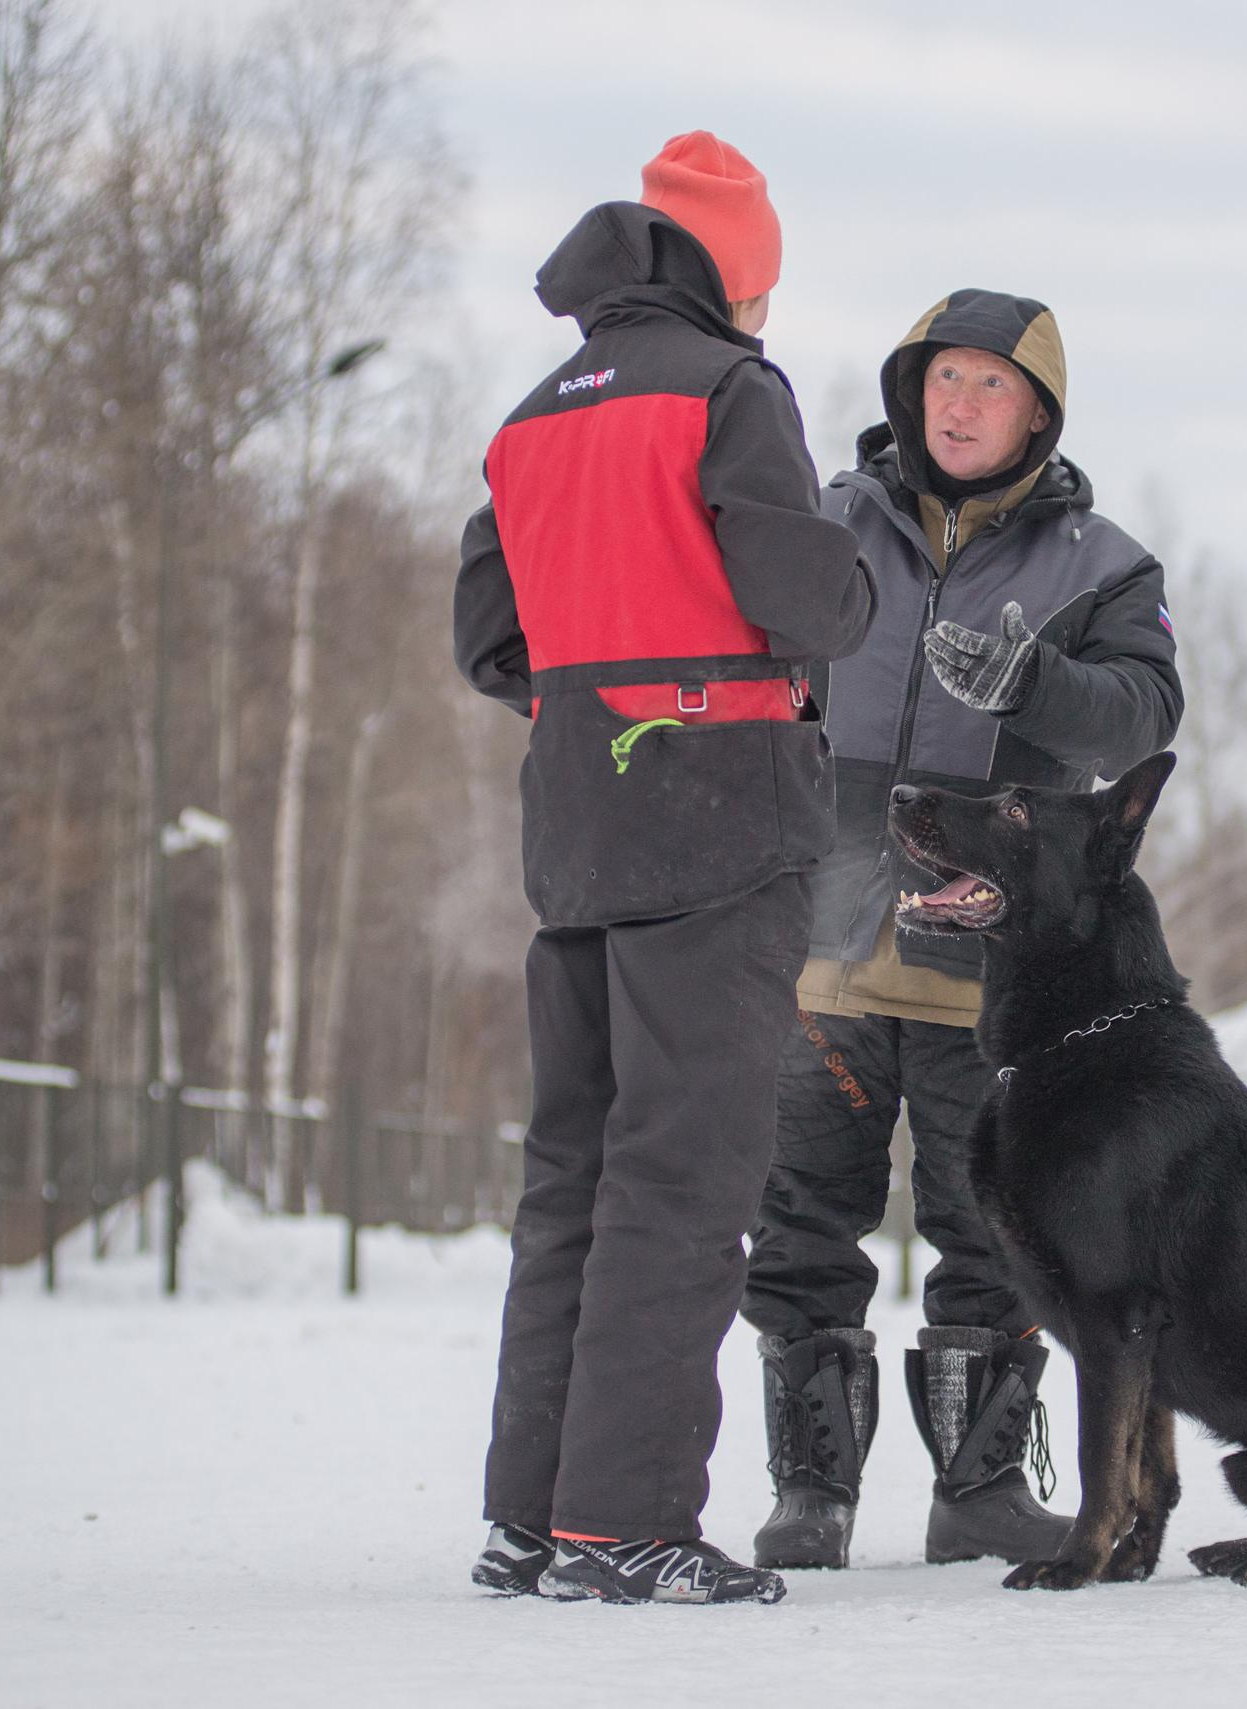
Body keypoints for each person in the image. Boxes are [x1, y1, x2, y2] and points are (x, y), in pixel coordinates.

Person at [452, 132, 875, 1606]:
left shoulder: (531, 414)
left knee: (572, 1170)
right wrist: (841, 556)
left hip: (575, 824)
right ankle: (623, 1521)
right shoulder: (729, 390)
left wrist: (601, 687)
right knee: (683, 1180)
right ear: (735, 269)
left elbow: (487, 639)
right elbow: (805, 596)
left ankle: (531, 1515)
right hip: (720, 827)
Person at [741, 290, 1183, 1569]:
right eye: (943, 379)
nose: (961, 403)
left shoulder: (1104, 566)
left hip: (984, 972)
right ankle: (810, 1493)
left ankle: (978, 1489)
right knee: (802, 1221)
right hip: (819, 942)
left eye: (991, 384)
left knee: (991, 1232)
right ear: (909, 392)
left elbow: (1140, 718)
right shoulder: (825, 523)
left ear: (1038, 411)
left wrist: (1038, 683)